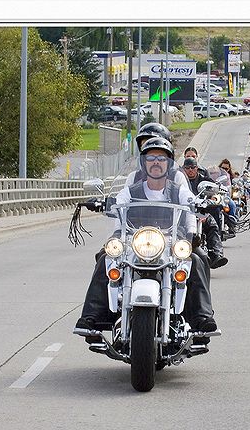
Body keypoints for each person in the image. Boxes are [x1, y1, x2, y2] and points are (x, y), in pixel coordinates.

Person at [74, 136, 217, 344]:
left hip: (169, 242)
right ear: (144, 163)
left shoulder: (178, 190)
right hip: (136, 241)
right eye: (151, 158)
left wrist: (200, 205)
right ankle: (90, 317)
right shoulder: (131, 189)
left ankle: (203, 317)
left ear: (168, 164)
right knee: (107, 258)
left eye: (161, 158)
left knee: (195, 261)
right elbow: (118, 203)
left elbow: (190, 202)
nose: (156, 162)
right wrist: (103, 203)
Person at [182, 157, 228, 269]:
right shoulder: (179, 181)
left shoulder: (204, 181)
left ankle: (216, 254)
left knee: (211, 224)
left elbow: (215, 192)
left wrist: (212, 198)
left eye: (193, 167)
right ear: (184, 169)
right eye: (187, 168)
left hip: (199, 213)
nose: (190, 170)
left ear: (197, 168)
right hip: (182, 214)